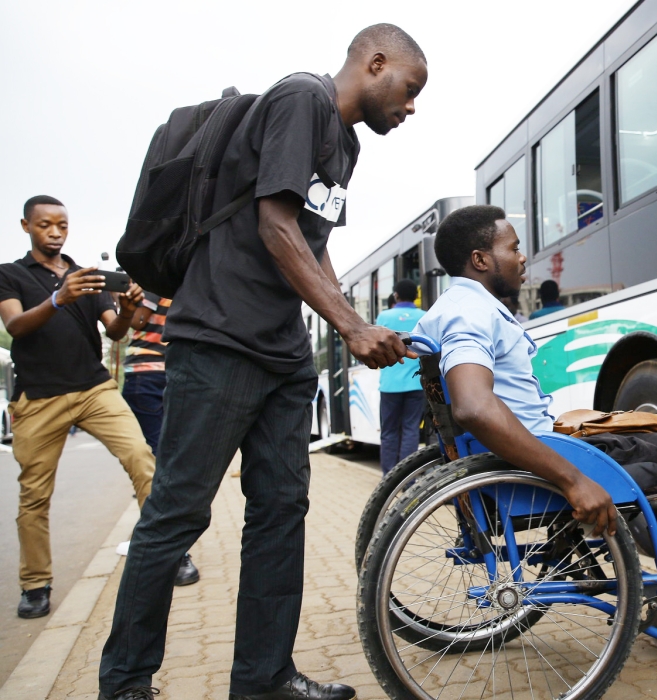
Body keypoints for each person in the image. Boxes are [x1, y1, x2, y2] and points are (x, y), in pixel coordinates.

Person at [98, 24, 426, 700]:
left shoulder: (346, 144)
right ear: (375, 62)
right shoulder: (300, 99)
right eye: (410, 88)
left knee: (281, 512)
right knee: (178, 513)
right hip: (219, 339)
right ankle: (125, 681)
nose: (411, 105)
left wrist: (356, 323)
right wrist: (348, 324)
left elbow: (312, 239)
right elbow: (273, 225)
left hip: (281, 355)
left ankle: (263, 677)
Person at [415, 205, 657, 616]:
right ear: (480, 260)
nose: (521, 259)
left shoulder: (451, 307)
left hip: (512, 458)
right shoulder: (471, 312)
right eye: (513, 248)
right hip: (527, 472)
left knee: (634, 440)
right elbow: (474, 407)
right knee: (656, 452)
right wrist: (572, 480)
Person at [0, 196, 159, 619]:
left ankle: (167, 555)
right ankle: (36, 584)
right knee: (34, 495)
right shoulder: (10, 275)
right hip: (39, 398)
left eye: (62, 225)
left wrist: (127, 311)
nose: (55, 232)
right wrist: (58, 299)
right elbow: (15, 326)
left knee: (144, 460)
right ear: (26, 226)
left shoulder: (86, 278)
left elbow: (116, 331)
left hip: (94, 389)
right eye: (45, 225)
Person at [121, 292, 200, 586]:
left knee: (172, 462)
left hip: (175, 372)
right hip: (147, 375)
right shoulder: (155, 282)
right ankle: (171, 553)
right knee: (159, 464)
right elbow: (137, 321)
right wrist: (130, 304)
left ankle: (164, 544)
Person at [375, 279, 426, 474]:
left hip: (389, 385)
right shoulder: (424, 315)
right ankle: (408, 477)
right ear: (416, 296)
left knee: (389, 432)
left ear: (395, 296)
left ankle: (390, 477)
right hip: (416, 383)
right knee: (411, 430)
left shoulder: (384, 316)